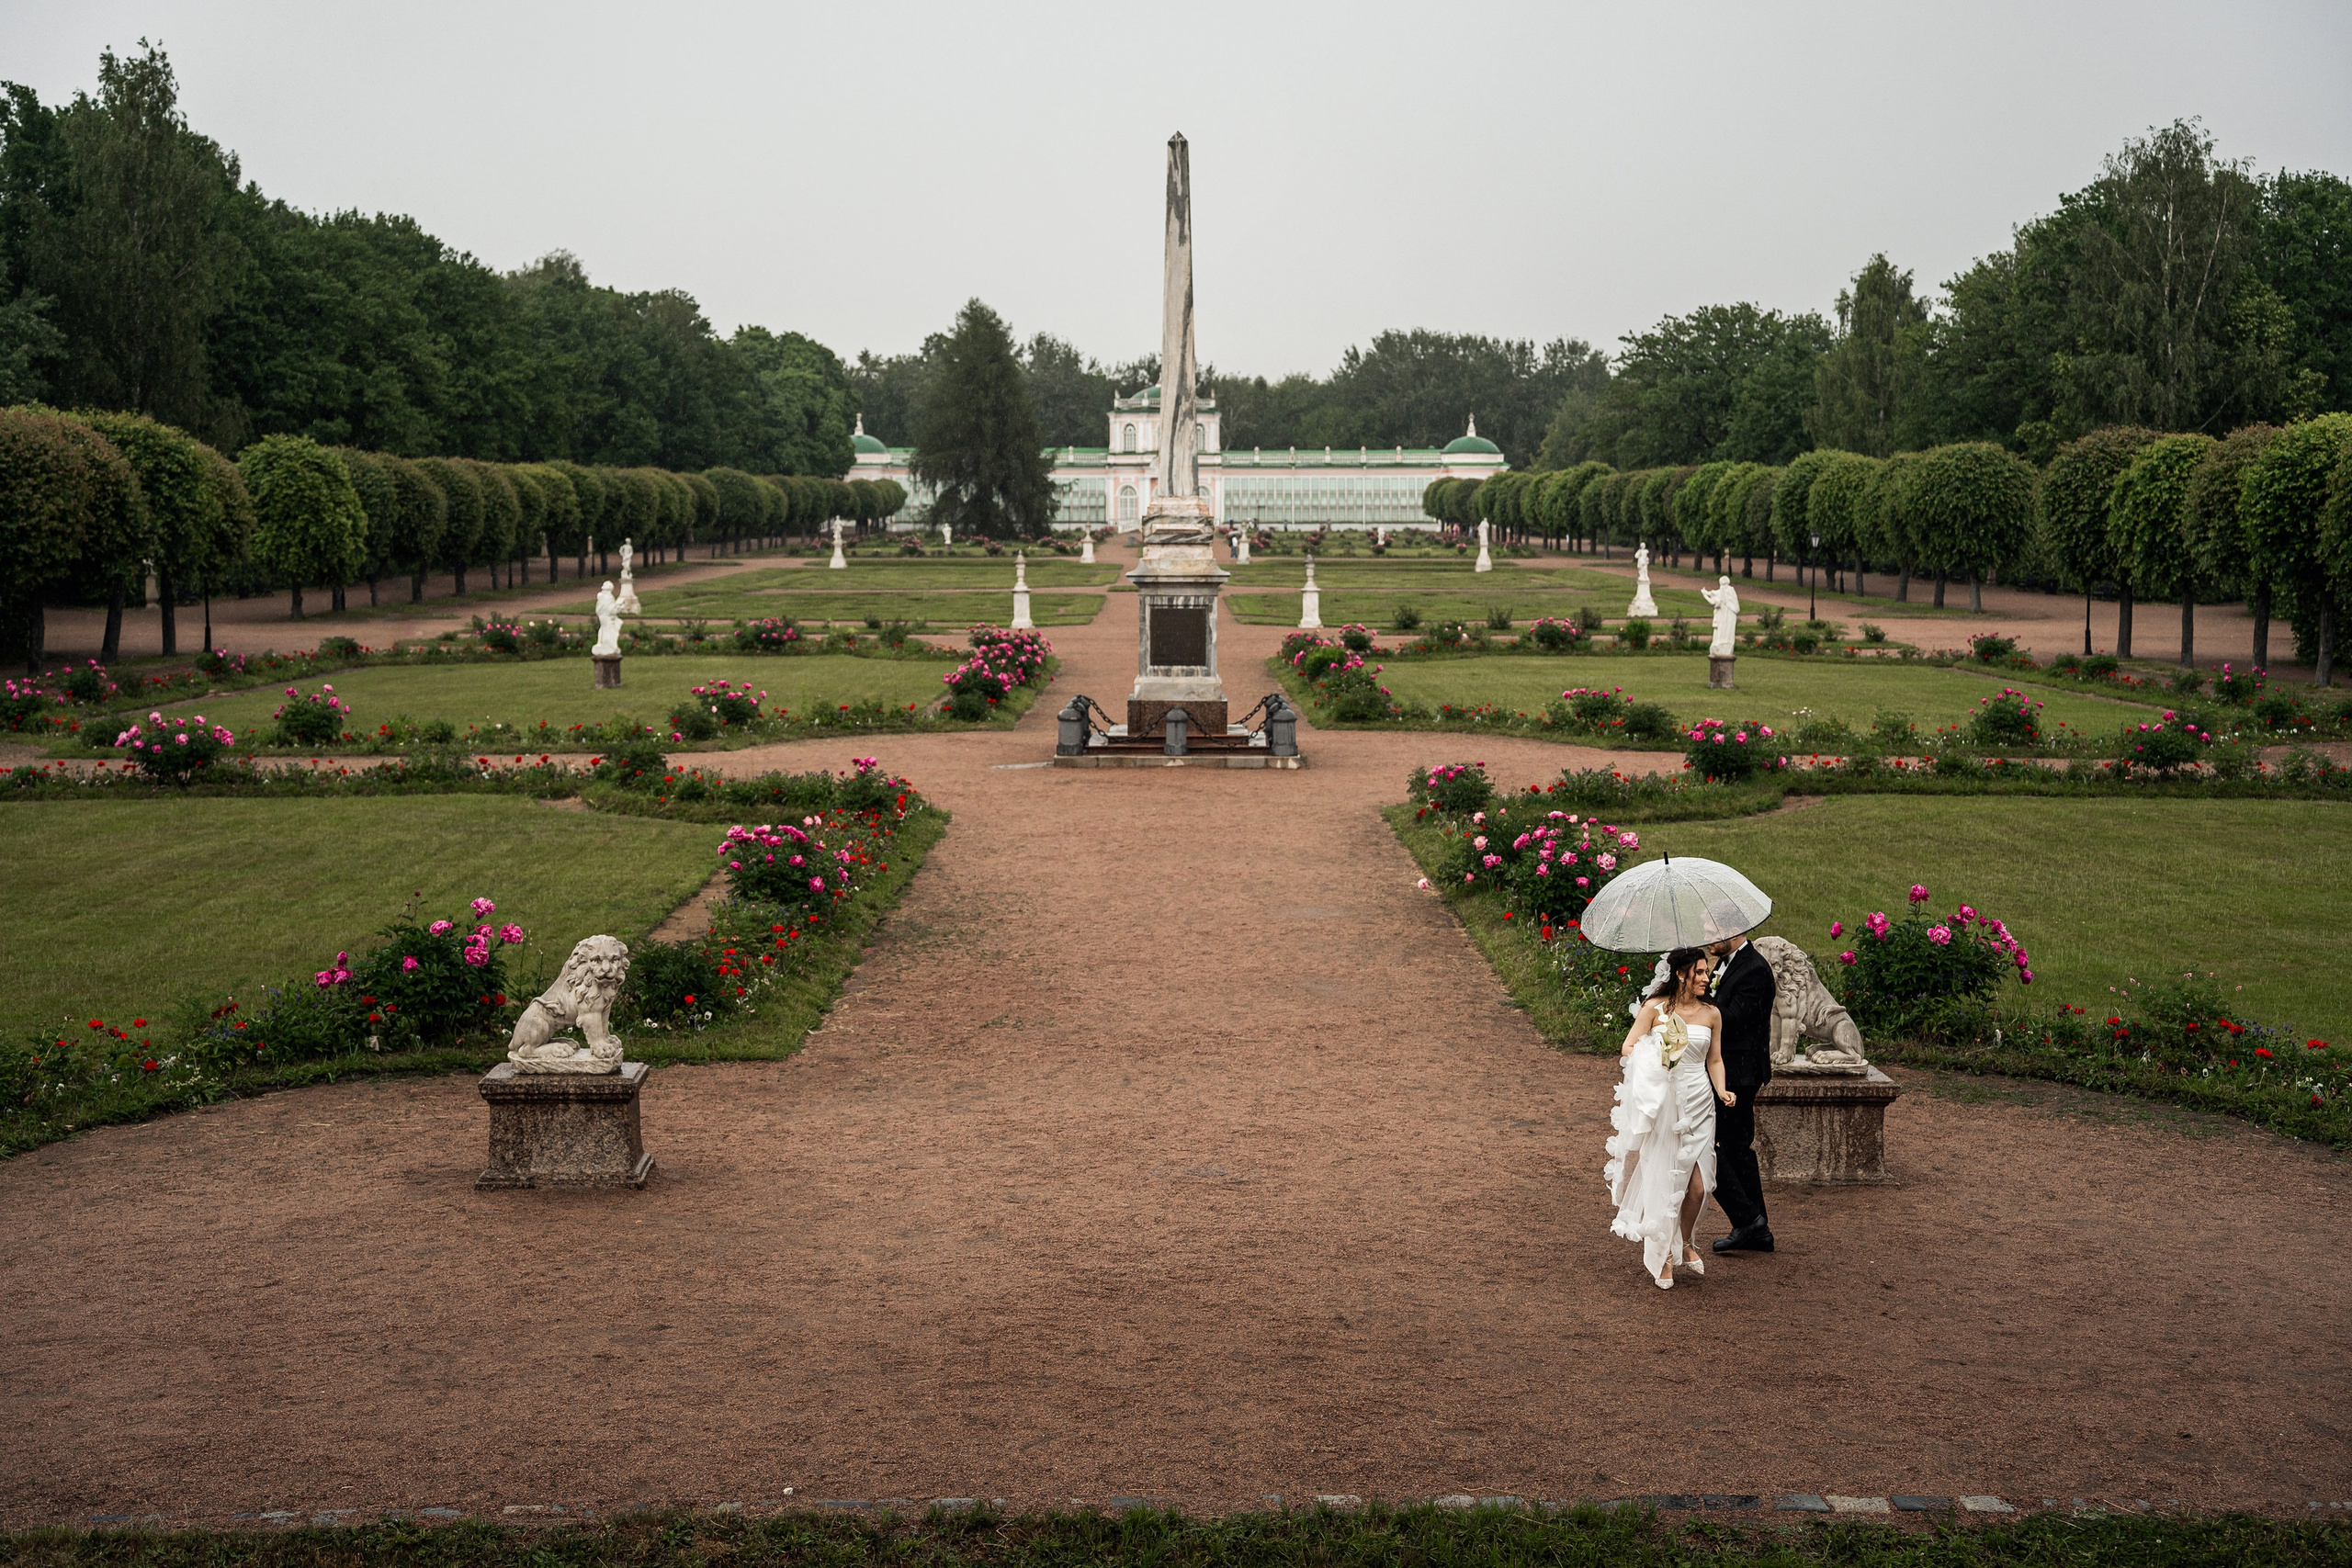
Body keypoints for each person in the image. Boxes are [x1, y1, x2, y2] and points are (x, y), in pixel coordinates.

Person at [1605, 948, 1736, 1289]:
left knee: (1701, 1186)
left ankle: (1688, 1240)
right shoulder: (1655, 1009)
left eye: (1708, 973)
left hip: (1700, 1102)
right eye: (1701, 973)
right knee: (1666, 1181)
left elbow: (1715, 1060)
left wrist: (1722, 1091)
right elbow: (1628, 1047)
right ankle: (1662, 1256)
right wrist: (1658, 1054)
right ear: (1681, 974)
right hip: (1667, 1101)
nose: (1707, 978)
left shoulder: (1711, 1014)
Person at [1706, 930, 1778, 1253]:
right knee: (1737, 1149)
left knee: (1713, 1147)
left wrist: (1692, 1009)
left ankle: (1747, 1220)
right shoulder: (1725, 962)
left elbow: (1734, 1018)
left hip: (1740, 1073)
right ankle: (1757, 1229)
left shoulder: (1755, 970)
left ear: (1734, 932)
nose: (1707, 938)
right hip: (1728, 1069)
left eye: (1712, 932)